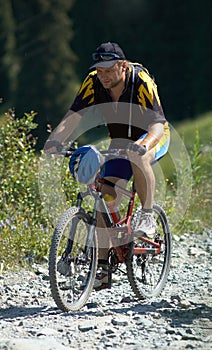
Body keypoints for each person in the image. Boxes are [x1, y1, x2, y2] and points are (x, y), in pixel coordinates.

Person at [44, 42, 170, 290]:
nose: (103, 76)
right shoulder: (92, 82)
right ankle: (101, 268)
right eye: (99, 71)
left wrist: (144, 144)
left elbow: (157, 123)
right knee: (104, 193)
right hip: (120, 140)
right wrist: (55, 141)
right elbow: (73, 117)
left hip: (154, 136)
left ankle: (146, 217)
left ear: (123, 66)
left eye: (109, 71)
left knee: (139, 157)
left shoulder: (141, 80)